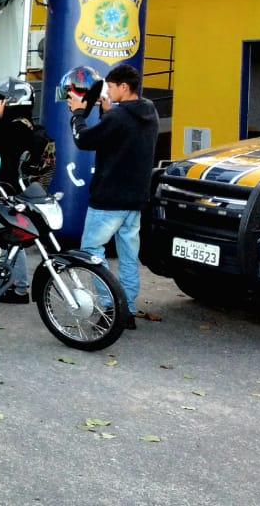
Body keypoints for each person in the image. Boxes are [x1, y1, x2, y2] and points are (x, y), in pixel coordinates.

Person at [67, 63, 159, 329]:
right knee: (129, 257)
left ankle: (110, 307)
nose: (106, 91)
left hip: (109, 200)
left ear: (124, 87)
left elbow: (83, 139)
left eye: (110, 86)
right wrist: (108, 113)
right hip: (135, 200)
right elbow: (123, 130)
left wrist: (78, 113)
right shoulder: (148, 110)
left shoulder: (118, 118)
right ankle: (127, 310)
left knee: (92, 251)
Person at [0, 75, 37, 303]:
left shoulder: (18, 128)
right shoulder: (20, 125)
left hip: (13, 189)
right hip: (14, 187)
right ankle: (7, 282)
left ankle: (18, 288)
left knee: (13, 237)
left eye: (1, 99)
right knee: (5, 236)